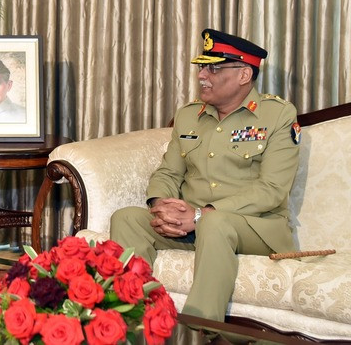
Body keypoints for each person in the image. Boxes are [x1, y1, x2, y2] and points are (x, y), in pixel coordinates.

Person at [109, 29, 301, 322]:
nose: (202, 75)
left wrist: (202, 214)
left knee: (215, 222)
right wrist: (162, 205)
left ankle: (202, 329)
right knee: (126, 218)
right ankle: (128, 321)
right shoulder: (189, 115)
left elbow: (272, 189)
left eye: (214, 68)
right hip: (191, 224)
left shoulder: (277, 115)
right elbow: (169, 172)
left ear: (244, 75)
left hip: (256, 227)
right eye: (201, 66)